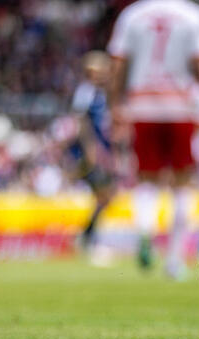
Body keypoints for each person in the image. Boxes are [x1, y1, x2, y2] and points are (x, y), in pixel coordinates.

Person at [106, 0, 199, 271]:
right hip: (181, 106)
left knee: (146, 180)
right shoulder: (193, 14)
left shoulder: (133, 14)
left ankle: (145, 232)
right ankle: (174, 258)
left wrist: (114, 104)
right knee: (182, 183)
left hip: (142, 105)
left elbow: (118, 64)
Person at [69, 51, 115, 251]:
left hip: (102, 150)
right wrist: (90, 149)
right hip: (90, 151)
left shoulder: (102, 93)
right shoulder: (86, 92)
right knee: (103, 194)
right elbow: (81, 122)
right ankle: (87, 238)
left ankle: (87, 236)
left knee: (105, 196)